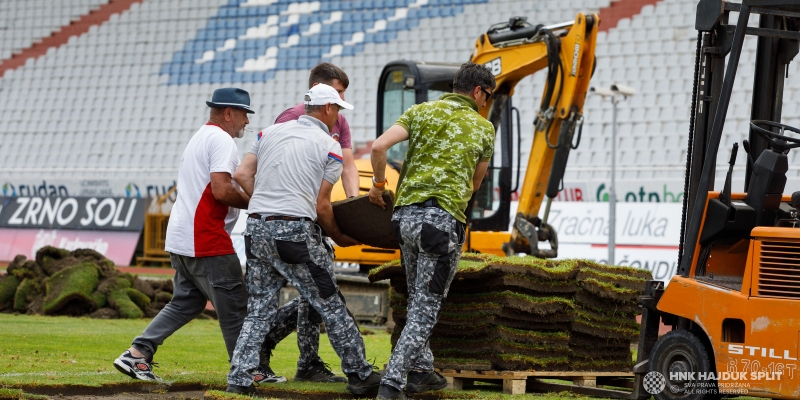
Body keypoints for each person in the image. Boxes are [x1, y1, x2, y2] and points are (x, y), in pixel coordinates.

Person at [226, 84, 383, 395]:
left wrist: (267, 204)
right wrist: (339, 235)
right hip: (295, 233)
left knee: (258, 308)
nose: (338, 115)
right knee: (330, 303)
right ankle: (360, 374)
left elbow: (242, 175)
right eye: (337, 109)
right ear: (326, 109)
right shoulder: (329, 146)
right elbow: (322, 206)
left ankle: (239, 380)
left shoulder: (267, 133)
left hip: (256, 228)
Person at [114, 88, 267, 382]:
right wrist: (258, 204)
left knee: (187, 302)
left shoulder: (201, 135)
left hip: (183, 237)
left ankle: (138, 353)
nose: (247, 121)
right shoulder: (222, 140)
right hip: (206, 237)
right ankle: (247, 372)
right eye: (245, 114)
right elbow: (222, 190)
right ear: (228, 113)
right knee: (235, 306)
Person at [368, 63, 496, 400]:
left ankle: (423, 371)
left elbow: (379, 147)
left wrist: (377, 187)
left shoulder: (420, 111)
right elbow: (476, 183)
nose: (487, 103)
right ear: (479, 92)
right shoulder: (484, 128)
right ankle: (392, 383)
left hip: (405, 219)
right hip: (440, 224)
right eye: (488, 96)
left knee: (416, 300)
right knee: (426, 308)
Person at [256, 62, 357, 384]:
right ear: (321, 92)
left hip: (308, 219)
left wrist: (355, 205)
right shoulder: (290, 119)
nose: (342, 102)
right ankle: (289, 353)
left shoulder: (339, 120)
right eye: (338, 94)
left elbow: (350, 163)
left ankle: (303, 360)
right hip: (294, 222)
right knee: (322, 295)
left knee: (315, 294)